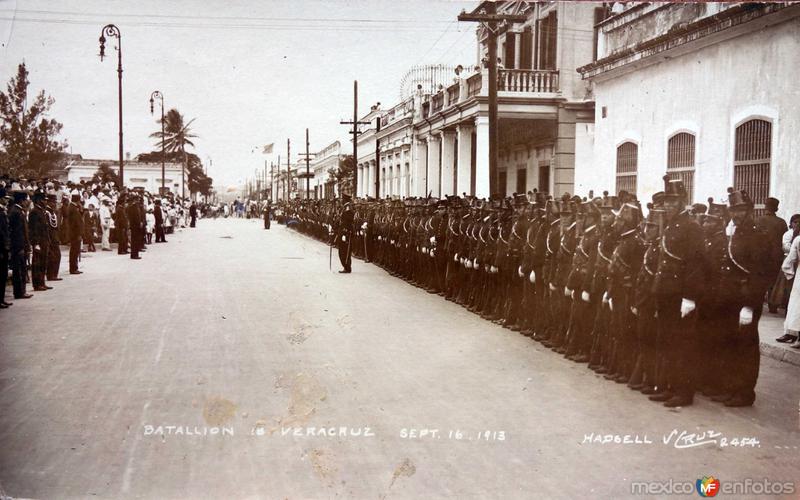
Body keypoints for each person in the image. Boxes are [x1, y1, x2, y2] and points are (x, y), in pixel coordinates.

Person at [9, 189, 32, 298]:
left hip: (21, 244)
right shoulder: (16, 212)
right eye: (26, 200)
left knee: (22, 268)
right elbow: (17, 232)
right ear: (21, 200)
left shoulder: (19, 211)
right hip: (18, 245)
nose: (27, 202)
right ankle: (19, 292)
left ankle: (21, 291)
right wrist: (21, 247)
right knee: (19, 270)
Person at [28, 190, 52, 291]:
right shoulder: (34, 212)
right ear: (38, 200)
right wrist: (36, 243)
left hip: (44, 240)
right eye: (43, 200)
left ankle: (42, 282)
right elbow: (34, 229)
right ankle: (37, 284)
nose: (45, 202)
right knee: (37, 263)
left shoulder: (42, 211)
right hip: (39, 241)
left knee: (43, 263)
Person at [336, 195, 354, 273]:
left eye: (342, 199)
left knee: (345, 250)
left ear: (345, 199)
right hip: (343, 231)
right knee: (342, 250)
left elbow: (348, 221)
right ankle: (346, 266)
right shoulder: (345, 207)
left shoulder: (348, 207)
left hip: (346, 232)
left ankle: (347, 267)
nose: (341, 200)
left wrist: (344, 231)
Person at [67, 191, 84, 274]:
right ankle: (73, 268)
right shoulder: (73, 209)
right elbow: (75, 223)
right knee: (74, 251)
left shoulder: (73, 208)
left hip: (74, 233)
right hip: (75, 233)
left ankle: (74, 267)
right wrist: (78, 234)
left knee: (75, 251)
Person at [0, 188, 11, 308]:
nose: (6, 201)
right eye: (5, 198)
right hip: (1, 248)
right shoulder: (0, 212)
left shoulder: (3, 211)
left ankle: (1, 298)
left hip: (4, 247)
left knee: (3, 274)